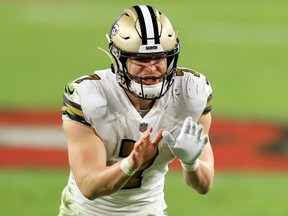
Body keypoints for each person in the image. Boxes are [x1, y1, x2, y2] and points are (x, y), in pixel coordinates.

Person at [58, 4, 214, 216]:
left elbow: (204, 185)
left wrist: (191, 162)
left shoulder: (190, 93)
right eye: (140, 59)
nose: (151, 67)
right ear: (119, 60)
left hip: (150, 211)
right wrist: (132, 162)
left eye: (159, 57)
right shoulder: (90, 96)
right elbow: (89, 186)